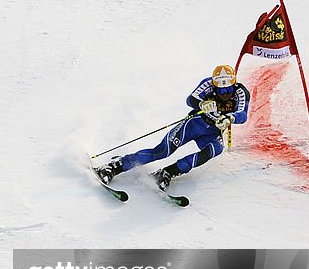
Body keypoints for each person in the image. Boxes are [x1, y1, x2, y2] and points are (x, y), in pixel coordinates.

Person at [94, 64, 250, 190]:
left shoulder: (240, 92)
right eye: (220, 89)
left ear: (234, 83)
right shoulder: (208, 84)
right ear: (215, 85)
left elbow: (243, 115)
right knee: (163, 151)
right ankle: (115, 166)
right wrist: (201, 103)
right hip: (194, 123)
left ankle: (169, 172)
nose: (225, 93)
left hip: (213, 131)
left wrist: (230, 118)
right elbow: (191, 100)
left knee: (216, 149)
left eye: (228, 88)